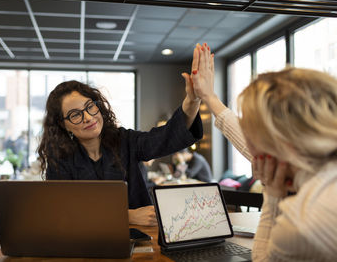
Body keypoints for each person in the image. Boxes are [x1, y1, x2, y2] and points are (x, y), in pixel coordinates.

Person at [190, 42, 337, 261]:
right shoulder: (319, 163)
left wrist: (273, 195)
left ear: (278, 143)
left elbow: (263, 258)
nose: (247, 138)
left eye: (251, 128)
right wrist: (210, 97)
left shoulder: (302, 222)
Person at [37, 78, 204, 226]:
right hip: (86, 245)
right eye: (75, 115)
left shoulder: (125, 140)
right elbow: (64, 213)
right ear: (63, 124)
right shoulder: (60, 161)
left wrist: (192, 99)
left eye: (90, 107)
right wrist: (127, 216)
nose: (88, 117)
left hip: (140, 241)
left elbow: (165, 137)